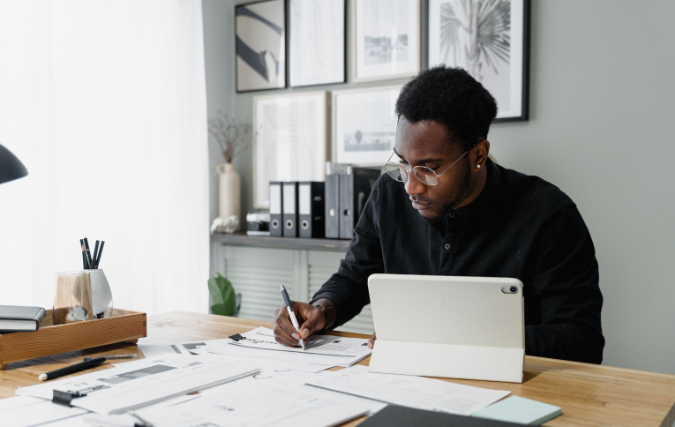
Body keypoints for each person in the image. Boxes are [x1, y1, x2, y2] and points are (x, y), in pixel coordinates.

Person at [273, 66, 604, 364]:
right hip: (408, 382)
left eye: (429, 169)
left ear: (478, 154)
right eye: (402, 163)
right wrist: (322, 309)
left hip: (514, 390)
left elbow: (581, 341)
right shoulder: (388, 193)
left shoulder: (549, 216)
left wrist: (446, 339)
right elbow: (354, 278)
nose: (411, 188)